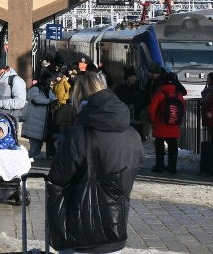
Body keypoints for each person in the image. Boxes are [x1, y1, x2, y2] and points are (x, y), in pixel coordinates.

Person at [46, 71, 142, 254]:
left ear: (82, 100)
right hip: (115, 227)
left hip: (80, 229)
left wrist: (63, 148)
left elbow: (58, 176)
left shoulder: (81, 135)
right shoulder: (133, 135)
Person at [148, 72, 186, 173]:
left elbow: (152, 109)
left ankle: (160, 166)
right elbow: (183, 109)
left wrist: (152, 120)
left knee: (159, 147)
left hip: (160, 125)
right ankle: (172, 166)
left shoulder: (160, 94)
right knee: (173, 147)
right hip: (174, 125)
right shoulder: (178, 95)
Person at [23, 72, 57, 160]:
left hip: (43, 118)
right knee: (34, 137)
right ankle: (33, 154)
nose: (49, 83)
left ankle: (37, 153)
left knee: (40, 137)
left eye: (50, 81)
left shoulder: (47, 89)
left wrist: (54, 100)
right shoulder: (35, 88)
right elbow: (36, 100)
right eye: (48, 80)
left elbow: (52, 97)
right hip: (35, 117)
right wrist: (49, 101)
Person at [112, 69, 148, 140]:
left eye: (134, 76)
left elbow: (143, 102)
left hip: (135, 121)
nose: (133, 78)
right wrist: (122, 105)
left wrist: (134, 106)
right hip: (121, 120)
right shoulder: (119, 89)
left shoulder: (139, 91)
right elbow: (114, 100)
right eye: (131, 76)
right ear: (126, 78)